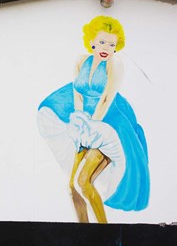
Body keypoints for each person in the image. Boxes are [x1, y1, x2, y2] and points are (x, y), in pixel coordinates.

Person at [37, 15, 150, 223]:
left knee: (84, 181)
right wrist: (79, 120)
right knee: (72, 185)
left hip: (108, 126)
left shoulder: (115, 64)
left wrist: (92, 125)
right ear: (92, 42)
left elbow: (107, 97)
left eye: (111, 43)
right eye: (102, 42)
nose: (106, 47)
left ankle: (103, 230)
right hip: (86, 125)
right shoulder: (81, 60)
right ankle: (84, 229)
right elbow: (77, 93)